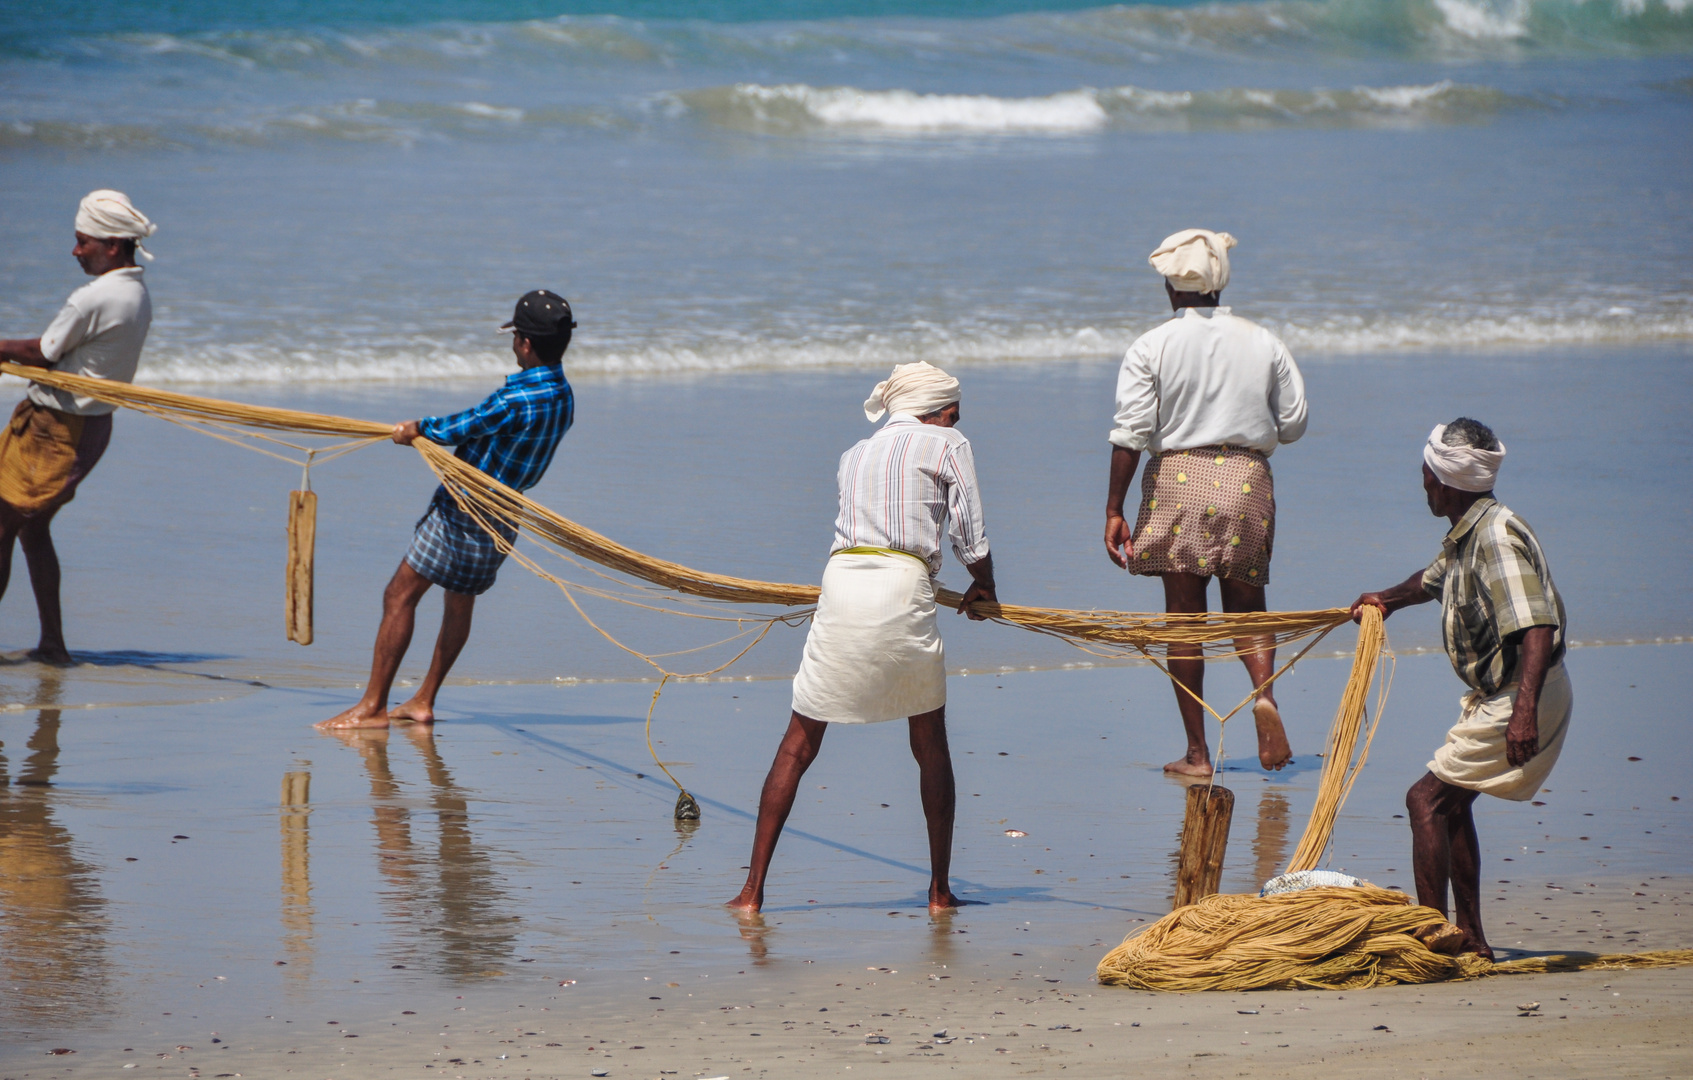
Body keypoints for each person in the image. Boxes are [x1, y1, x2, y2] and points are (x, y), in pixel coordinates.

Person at [726, 361, 997, 915]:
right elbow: (970, 532)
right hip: (903, 585)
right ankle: (939, 892)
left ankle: (751, 892)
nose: (955, 423)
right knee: (929, 741)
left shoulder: (855, 453)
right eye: (954, 414)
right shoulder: (948, 444)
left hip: (842, 582)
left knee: (799, 741)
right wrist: (984, 588)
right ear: (939, 411)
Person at [1350, 418, 1569, 960]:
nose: (1422, 481)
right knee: (1450, 804)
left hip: (1525, 692)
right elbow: (1428, 581)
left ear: (1443, 481)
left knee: (1425, 800)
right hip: (1512, 693)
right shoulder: (1469, 531)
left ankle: (1436, 940)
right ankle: (1470, 941)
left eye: (1427, 473)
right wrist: (1381, 599)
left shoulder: (1494, 537)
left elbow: (1536, 625)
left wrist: (1524, 714)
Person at [318, 290, 577, 730]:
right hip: (504, 513)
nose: (514, 343)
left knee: (399, 594)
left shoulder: (516, 399)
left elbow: (465, 425)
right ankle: (423, 700)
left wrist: (415, 430)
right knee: (460, 604)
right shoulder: (563, 396)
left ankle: (373, 706)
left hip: (464, 512)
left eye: (515, 336)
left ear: (525, 344)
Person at [1103, 228, 1308, 776]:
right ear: (1220, 284)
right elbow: (1293, 425)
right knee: (1248, 608)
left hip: (1178, 481)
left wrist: (1113, 510)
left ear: (1172, 291)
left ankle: (1197, 754)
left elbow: (1130, 433)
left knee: (1185, 619)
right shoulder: (1264, 341)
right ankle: (1264, 695)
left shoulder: (1152, 345)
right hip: (1246, 480)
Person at [0, 190, 157, 663]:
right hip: (88, 427)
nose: (75, 251)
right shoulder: (136, 292)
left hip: (55, 430)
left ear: (112, 245)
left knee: (3, 525)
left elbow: (43, 353)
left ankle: (52, 644)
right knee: (32, 528)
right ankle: (52, 645)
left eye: (82, 241)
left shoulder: (95, 296)